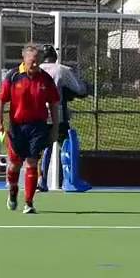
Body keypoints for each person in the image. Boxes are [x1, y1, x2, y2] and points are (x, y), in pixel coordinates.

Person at [0, 43, 60, 214]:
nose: (36, 64)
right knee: (15, 165)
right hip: (17, 127)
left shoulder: (45, 79)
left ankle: (29, 203)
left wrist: (54, 127)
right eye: (33, 61)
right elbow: (1, 100)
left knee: (32, 163)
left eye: (38, 61)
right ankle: (13, 190)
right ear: (24, 59)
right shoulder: (13, 76)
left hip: (37, 127)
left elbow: (53, 103)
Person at [38, 44, 88, 188]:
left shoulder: (34, 71)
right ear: (55, 57)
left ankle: (42, 180)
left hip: (38, 113)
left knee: (45, 147)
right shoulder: (61, 69)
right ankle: (70, 180)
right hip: (57, 112)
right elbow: (79, 89)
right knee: (67, 144)